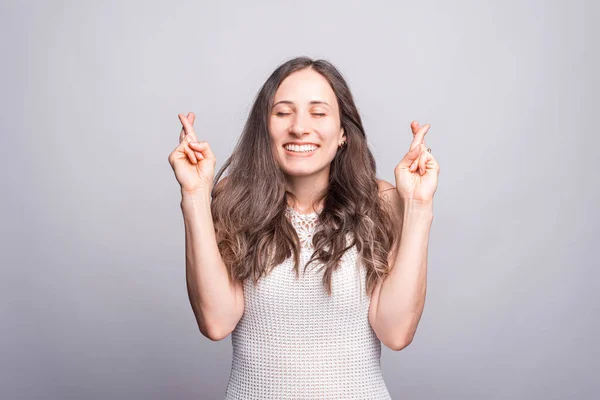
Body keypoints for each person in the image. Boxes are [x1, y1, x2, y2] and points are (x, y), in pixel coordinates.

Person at [168, 56, 439, 399]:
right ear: (264, 128)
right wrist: (195, 195)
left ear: (343, 131)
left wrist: (418, 206)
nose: (299, 127)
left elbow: (396, 332)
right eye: (282, 112)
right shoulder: (234, 199)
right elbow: (216, 322)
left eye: (318, 113)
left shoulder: (382, 201)